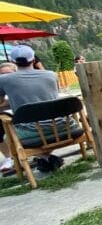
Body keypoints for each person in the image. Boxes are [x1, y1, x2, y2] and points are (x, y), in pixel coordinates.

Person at [0, 45, 63, 173]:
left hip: (34, 132)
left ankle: (45, 158)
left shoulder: (4, 80)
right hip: (63, 127)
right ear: (33, 60)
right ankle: (46, 158)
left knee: (8, 136)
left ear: (13, 62)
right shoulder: (51, 75)